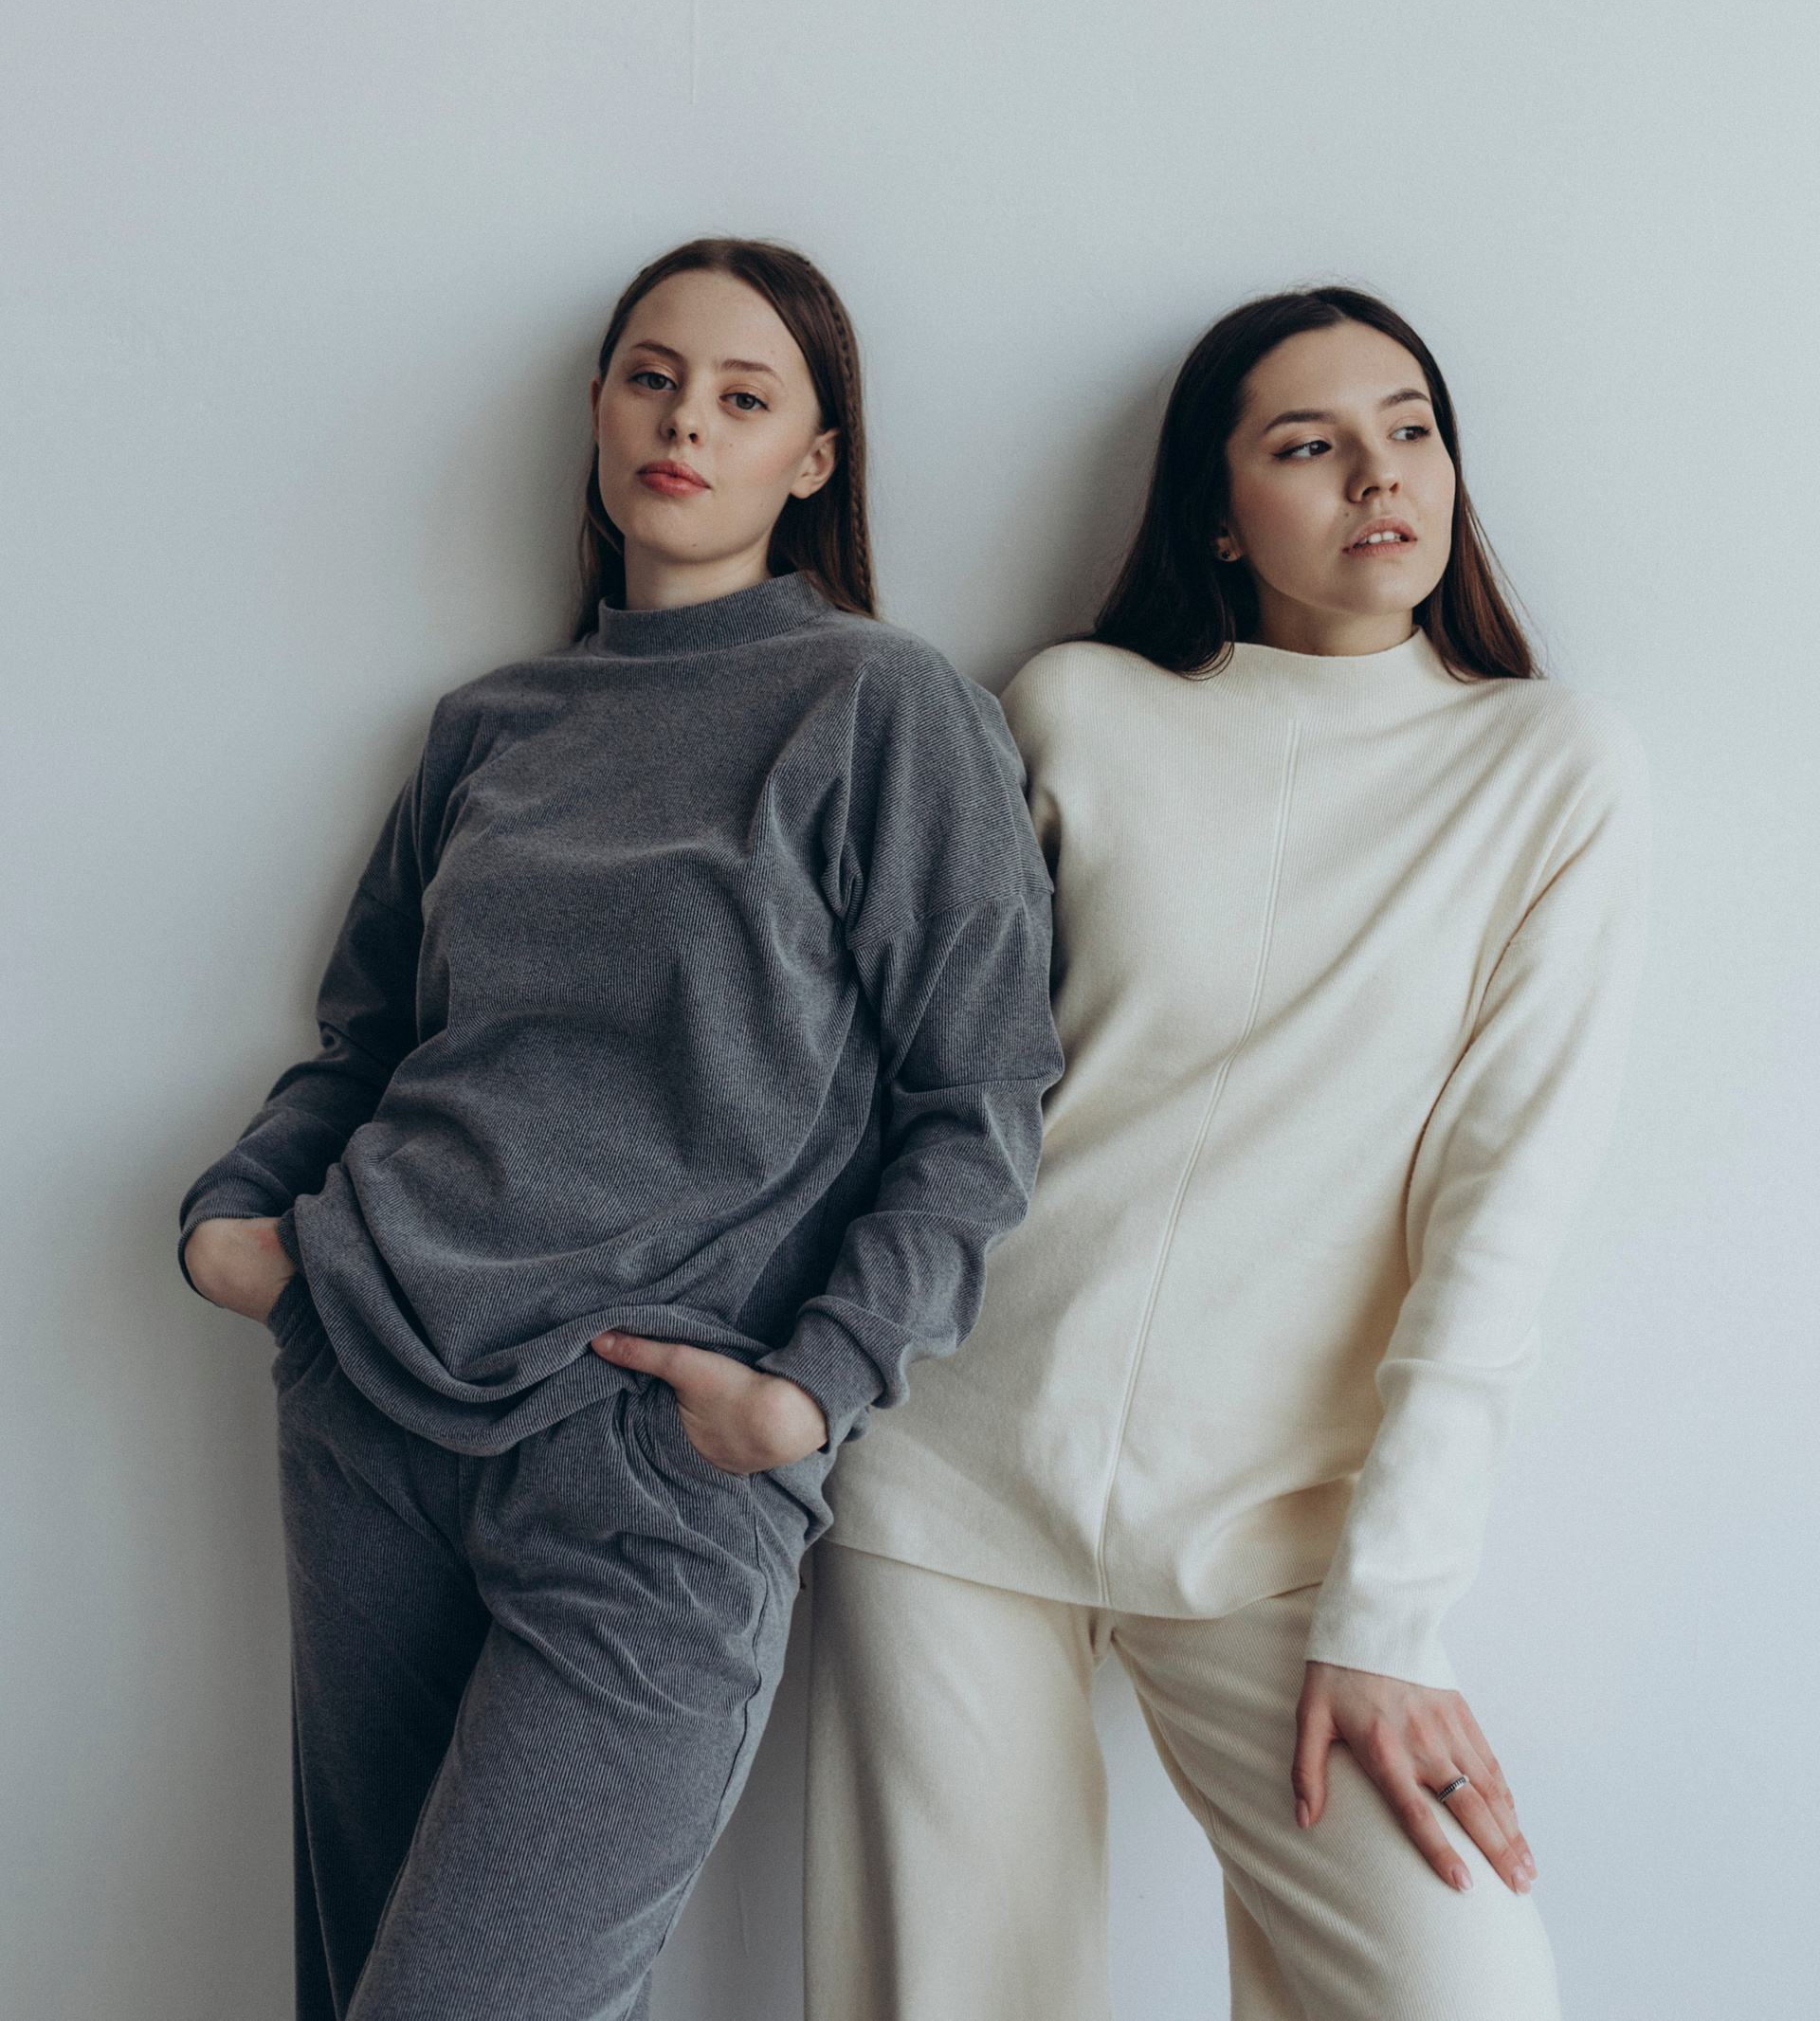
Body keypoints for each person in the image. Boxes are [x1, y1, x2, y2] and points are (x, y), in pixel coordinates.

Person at [180, 237, 1061, 2021]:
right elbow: (366, 1042)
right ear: (598, 407)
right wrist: (241, 1225)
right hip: (371, 1405)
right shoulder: (492, 725)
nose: (687, 423)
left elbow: (978, 1100)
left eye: (745, 396)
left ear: (814, 458)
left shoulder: (881, 708)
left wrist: (809, 1389)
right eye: (654, 378)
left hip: (651, 1460)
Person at [809, 286, 1650, 2021]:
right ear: (1215, 511)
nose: (1379, 475)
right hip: (952, 1468)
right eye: (1309, 443)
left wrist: (1387, 1614)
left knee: (1467, 1994)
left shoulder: (1547, 768)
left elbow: (1502, 1210)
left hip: (1275, 1528)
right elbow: (899, 1076)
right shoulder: (1073, 711)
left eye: (1410, 429)